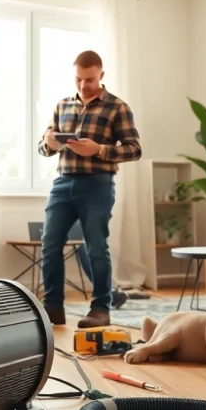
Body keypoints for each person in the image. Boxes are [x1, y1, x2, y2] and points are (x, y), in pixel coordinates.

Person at [37, 50, 141, 328]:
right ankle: (53, 307)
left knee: (96, 247)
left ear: (101, 75)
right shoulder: (62, 106)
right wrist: (51, 144)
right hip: (63, 183)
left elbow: (134, 149)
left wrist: (99, 150)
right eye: (79, 79)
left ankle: (100, 308)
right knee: (50, 245)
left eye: (90, 80)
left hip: (98, 184)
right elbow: (43, 147)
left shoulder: (117, 107)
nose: (83, 85)